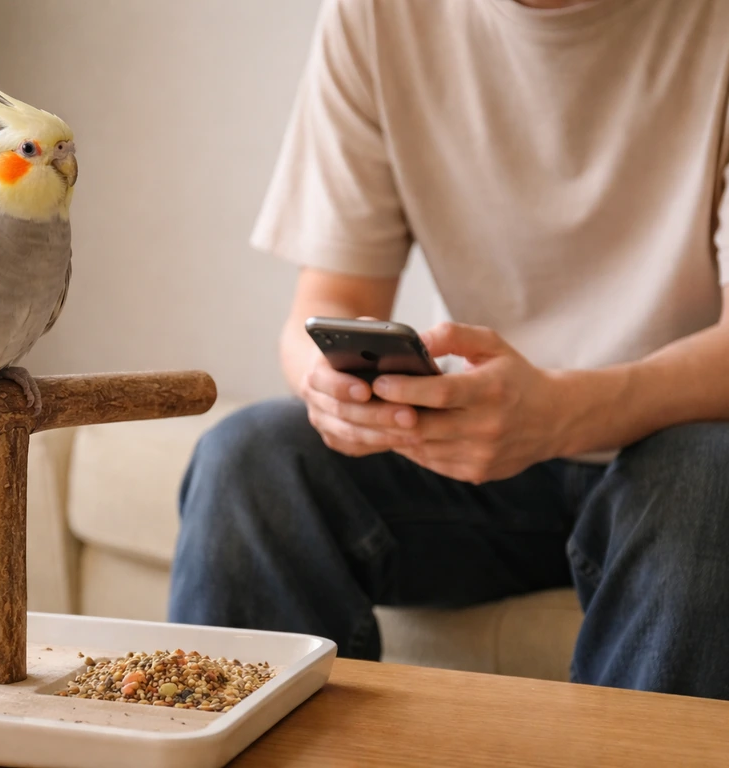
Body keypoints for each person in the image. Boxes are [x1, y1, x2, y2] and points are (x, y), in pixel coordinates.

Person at [167, 0, 729, 701]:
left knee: (711, 479)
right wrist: (331, 389)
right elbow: (328, 300)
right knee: (249, 459)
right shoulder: (378, 14)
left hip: (677, 444)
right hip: (481, 457)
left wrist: (562, 413)